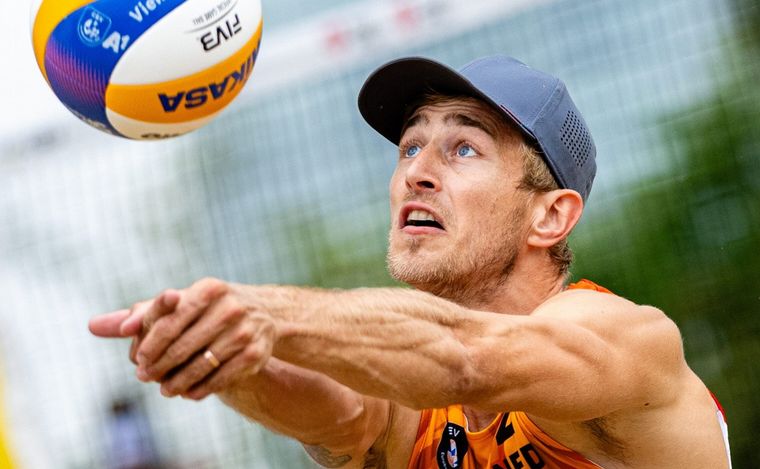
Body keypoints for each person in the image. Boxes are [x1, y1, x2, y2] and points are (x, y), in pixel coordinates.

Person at [89, 55, 732, 469]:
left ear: (551, 215)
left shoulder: (625, 340)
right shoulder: (415, 406)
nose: (416, 172)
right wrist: (223, 354)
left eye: (463, 149)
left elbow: (467, 359)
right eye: (410, 145)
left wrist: (265, 313)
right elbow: (343, 416)